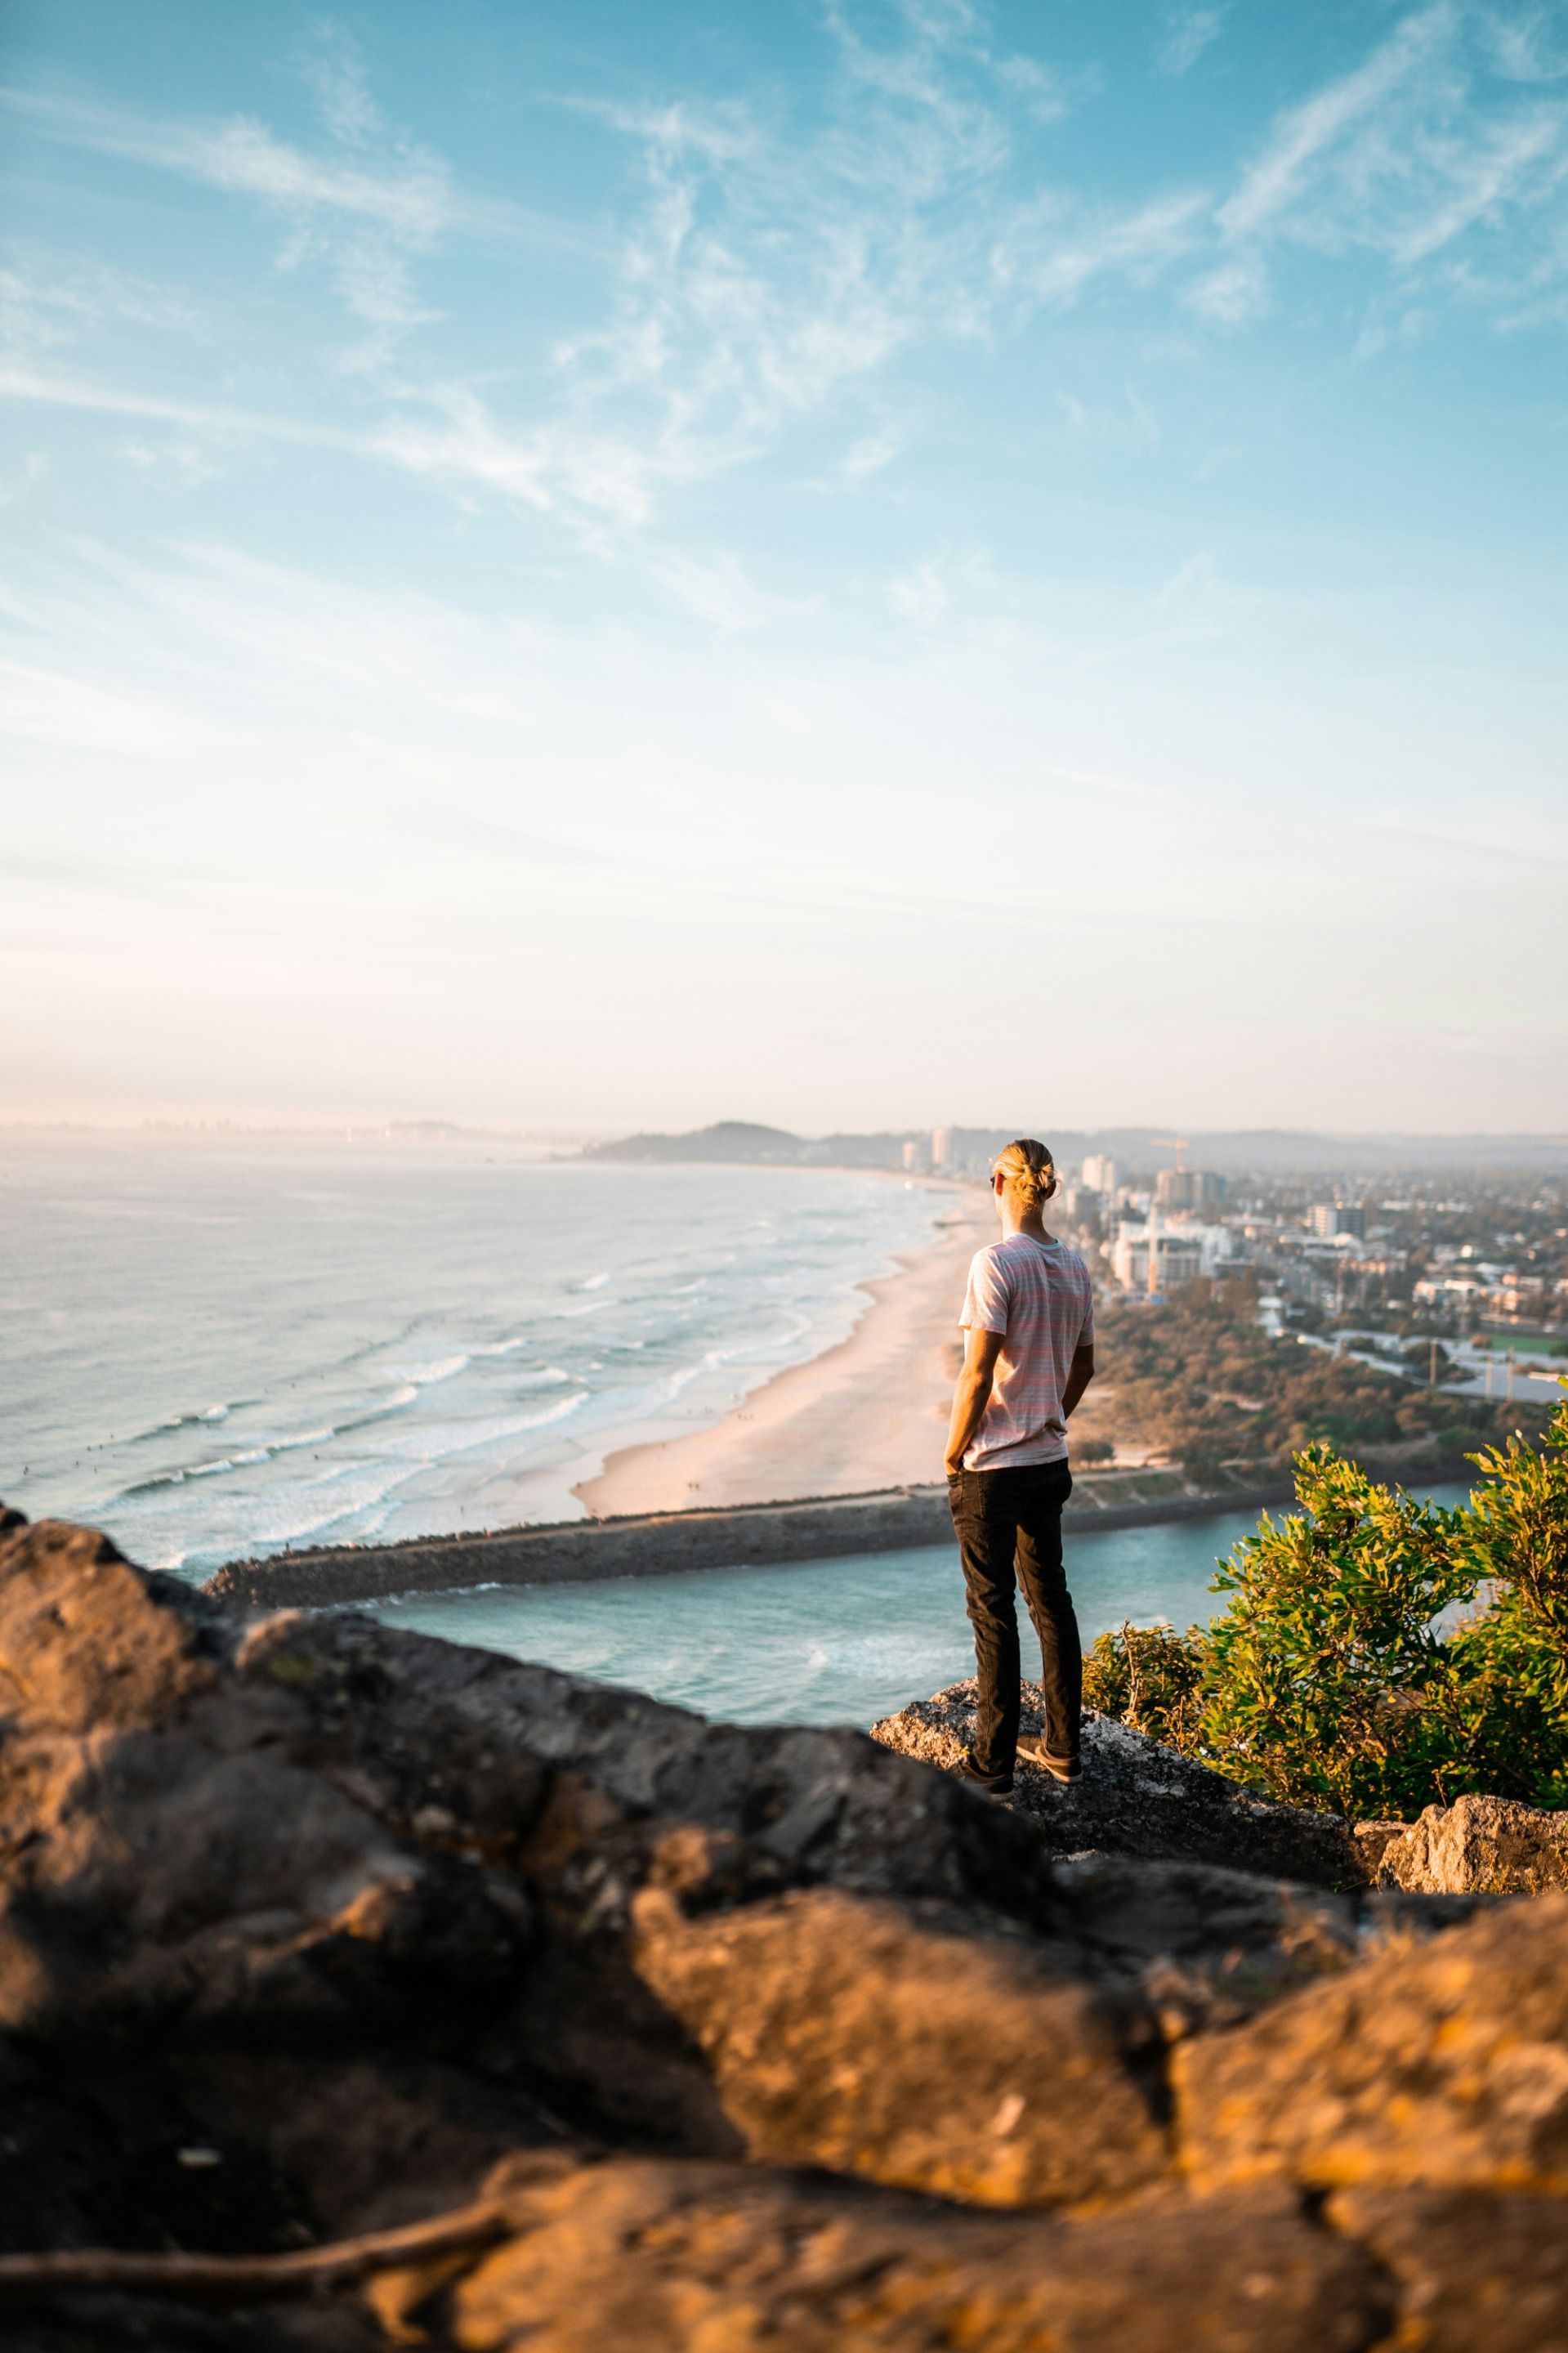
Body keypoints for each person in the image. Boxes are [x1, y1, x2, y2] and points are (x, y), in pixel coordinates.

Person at [944, 1138, 1096, 1796]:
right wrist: (1048, 1415)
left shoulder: (994, 1262)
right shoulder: (1075, 1265)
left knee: (993, 1613)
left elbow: (977, 1373)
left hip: (993, 1468)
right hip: (1047, 1458)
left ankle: (993, 1765)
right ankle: (1062, 1748)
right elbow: (1083, 1364)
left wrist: (954, 1450)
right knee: (1051, 1604)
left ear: (999, 1185)